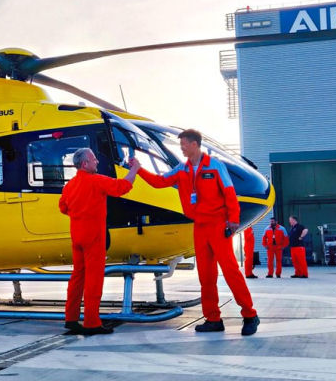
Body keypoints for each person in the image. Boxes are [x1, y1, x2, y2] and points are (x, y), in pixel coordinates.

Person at [136, 129, 259, 336]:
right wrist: (139, 170)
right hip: (199, 227)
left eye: (184, 144)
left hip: (218, 225)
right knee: (206, 276)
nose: (182, 148)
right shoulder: (181, 169)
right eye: (181, 144)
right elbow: (159, 182)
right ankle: (212, 318)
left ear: (195, 144)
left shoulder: (215, 166)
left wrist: (234, 220)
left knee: (230, 272)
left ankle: (249, 315)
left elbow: (230, 194)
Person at [59, 149, 140, 335]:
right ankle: (91, 323)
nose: (97, 161)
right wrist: (134, 169)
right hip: (93, 237)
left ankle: (71, 319)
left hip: (77, 236)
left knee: (77, 277)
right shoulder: (95, 181)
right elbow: (122, 187)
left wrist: (79, 213)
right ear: (85, 164)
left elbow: (63, 207)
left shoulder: (70, 185)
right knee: (93, 280)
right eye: (94, 159)